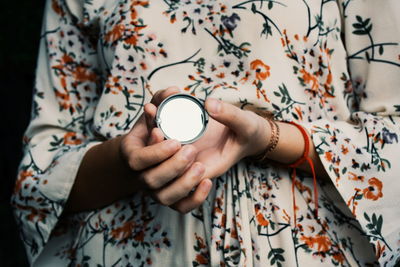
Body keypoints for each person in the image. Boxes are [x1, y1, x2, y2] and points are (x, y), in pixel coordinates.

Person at [11, 0, 400, 266]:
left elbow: (392, 136)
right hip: (121, 251)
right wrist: (127, 160)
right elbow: (41, 173)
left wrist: (267, 138)